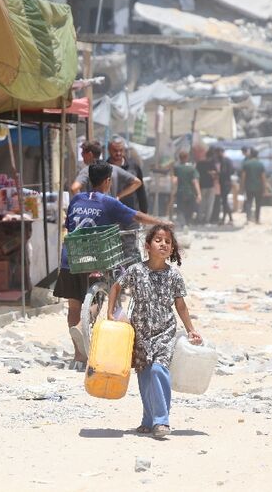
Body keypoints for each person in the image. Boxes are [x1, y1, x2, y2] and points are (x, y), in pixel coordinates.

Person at [54, 162, 172, 371]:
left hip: (70, 258)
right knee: (103, 294)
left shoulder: (76, 200)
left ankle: (79, 356)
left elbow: (70, 226)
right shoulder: (109, 202)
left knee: (73, 306)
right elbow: (136, 216)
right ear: (108, 181)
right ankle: (83, 326)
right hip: (95, 258)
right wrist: (160, 223)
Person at [107, 225, 201, 439]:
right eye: (158, 240)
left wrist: (191, 329)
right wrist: (110, 314)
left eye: (167, 241)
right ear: (147, 246)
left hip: (165, 332)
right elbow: (115, 287)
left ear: (172, 249)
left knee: (159, 371)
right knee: (145, 377)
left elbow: (181, 306)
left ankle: (161, 420)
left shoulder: (174, 276)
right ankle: (148, 419)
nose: (163, 244)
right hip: (140, 333)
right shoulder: (136, 271)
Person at [71, 140, 142, 202]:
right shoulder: (114, 168)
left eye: (83, 153)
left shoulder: (87, 170)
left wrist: (84, 204)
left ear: (90, 154)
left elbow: (74, 188)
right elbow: (137, 182)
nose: (82, 156)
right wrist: (118, 196)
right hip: (110, 211)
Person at [107, 136, 148, 213]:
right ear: (109, 150)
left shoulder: (134, 167)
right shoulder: (104, 167)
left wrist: (144, 211)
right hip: (111, 213)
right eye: (115, 150)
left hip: (131, 213)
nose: (118, 153)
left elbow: (141, 190)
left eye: (121, 150)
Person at [169, 151, 201, 225]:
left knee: (180, 209)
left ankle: (183, 224)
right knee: (189, 209)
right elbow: (195, 181)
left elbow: (174, 181)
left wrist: (172, 192)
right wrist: (199, 194)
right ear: (187, 158)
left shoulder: (177, 168)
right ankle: (187, 223)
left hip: (180, 192)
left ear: (179, 158)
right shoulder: (192, 169)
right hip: (190, 193)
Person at [240, 148, 267, 224]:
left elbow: (243, 177)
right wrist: (265, 189)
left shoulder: (246, 164)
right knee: (258, 203)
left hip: (248, 187)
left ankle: (248, 219)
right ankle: (257, 219)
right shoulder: (260, 164)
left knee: (249, 202)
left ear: (251, 154)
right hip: (259, 187)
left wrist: (241, 187)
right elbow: (263, 178)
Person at [211, 148, 234, 225]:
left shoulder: (224, 161)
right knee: (224, 201)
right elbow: (232, 171)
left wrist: (216, 174)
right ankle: (227, 218)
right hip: (227, 183)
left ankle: (227, 218)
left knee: (224, 201)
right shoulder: (228, 160)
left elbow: (223, 172)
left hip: (224, 183)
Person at [195, 150, 217, 224]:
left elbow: (196, 174)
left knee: (201, 204)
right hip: (210, 186)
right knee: (209, 204)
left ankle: (199, 219)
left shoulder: (199, 163)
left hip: (201, 186)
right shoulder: (212, 164)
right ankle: (207, 220)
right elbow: (215, 174)